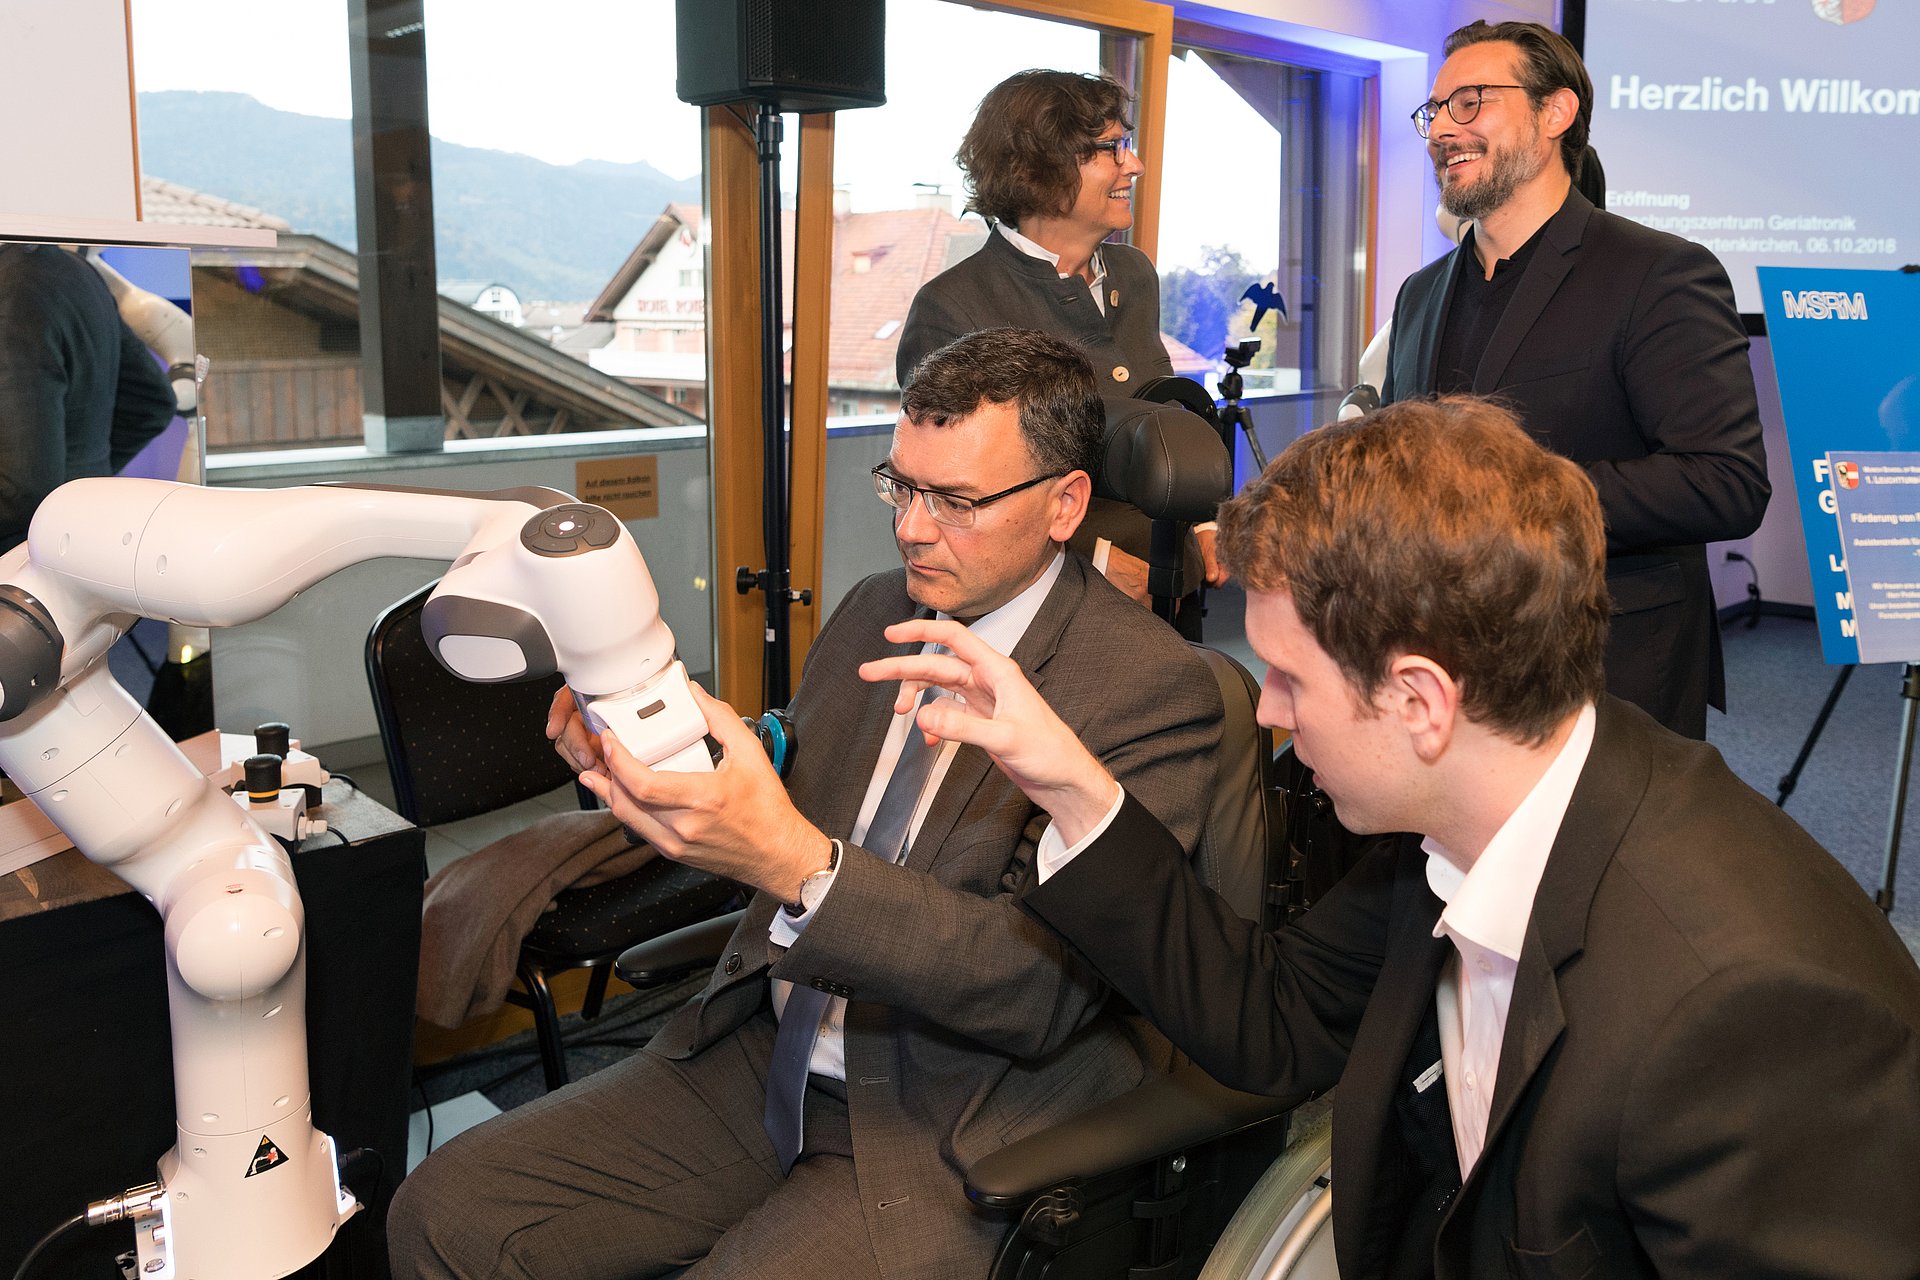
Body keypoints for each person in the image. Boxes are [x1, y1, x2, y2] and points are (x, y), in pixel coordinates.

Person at [864, 397, 1920, 1280]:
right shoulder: (1471, 811)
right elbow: (1270, 1017)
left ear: (1420, 700)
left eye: (1290, 677)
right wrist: (1070, 781)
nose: (1269, 712)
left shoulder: (1748, 1010)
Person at [386, 327, 1224, 1279]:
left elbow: (1037, 992)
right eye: (901, 485)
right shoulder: (876, 607)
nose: (912, 526)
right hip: (762, 1045)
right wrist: (654, 745)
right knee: (444, 1215)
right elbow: (798, 759)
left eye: (955, 501)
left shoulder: (1149, 690)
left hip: (943, 1102)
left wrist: (794, 865)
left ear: (1066, 504)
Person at [1382, 21, 1769, 739]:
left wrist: (1509, 501)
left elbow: (1725, 482)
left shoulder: (1656, 273)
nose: (1441, 129)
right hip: (1443, 670)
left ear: (1555, 114)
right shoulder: (1419, 295)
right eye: (1434, 111)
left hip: (1602, 672)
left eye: (1470, 102)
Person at [898, 68, 1222, 625]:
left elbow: (1163, 415)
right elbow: (951, 500)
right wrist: (1094, 563)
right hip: (1048, 621)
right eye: (1113, 148)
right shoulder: (954, 308)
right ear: (1040, 168)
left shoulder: (1135, 275)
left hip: (1171, 598)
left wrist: (1203, 525)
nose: (1135, 164)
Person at [0, 244, 176, 552]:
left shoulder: (9, 293)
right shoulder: (76, 270)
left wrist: (69, 482)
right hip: (81, 543)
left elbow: (23, 489)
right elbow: (152, 402)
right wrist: (84, 480)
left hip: (21, 562)